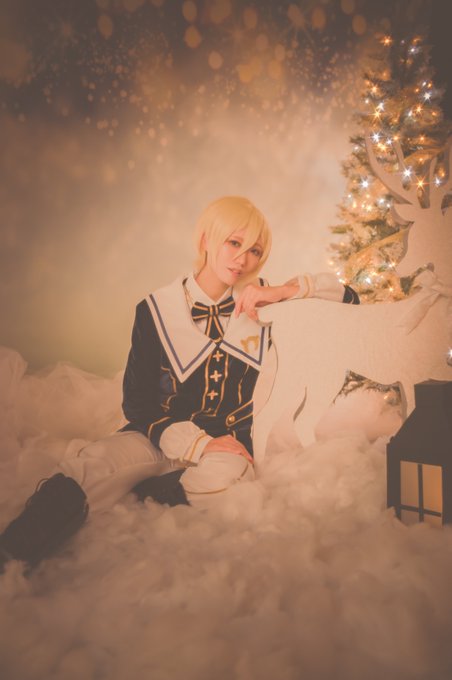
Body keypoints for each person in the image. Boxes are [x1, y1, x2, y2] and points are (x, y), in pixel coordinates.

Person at [0, 196, 359, 572]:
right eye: (234, 243)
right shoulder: (156, 309)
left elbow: (351, 304)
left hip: (229, 443)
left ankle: (154, 493)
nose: (243, 260)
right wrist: (195, 444)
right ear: (205, 239)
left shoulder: (264, 302)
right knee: (90, 465)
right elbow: (138, 404)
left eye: (255, 250)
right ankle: (12, 555)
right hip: (159, 435)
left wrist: (284, 291)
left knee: (227, 483)